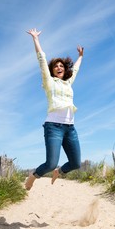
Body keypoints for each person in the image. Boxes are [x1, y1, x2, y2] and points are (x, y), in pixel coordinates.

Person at [25, 28, 84, 190]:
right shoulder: (49, 82)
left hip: (70, 128)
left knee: (75, 163)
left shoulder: (68, 83)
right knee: (50, 163)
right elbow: (42, 60)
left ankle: (59, 171)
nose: (59, 67)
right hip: (54, 127)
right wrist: (35, 39)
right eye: (56, 66)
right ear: (52, 70)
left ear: (65, 70)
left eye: (61, 66)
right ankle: (33, 175)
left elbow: (76, 70)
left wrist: (80, 57)